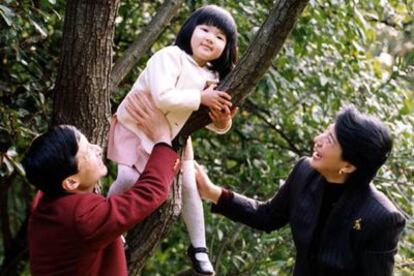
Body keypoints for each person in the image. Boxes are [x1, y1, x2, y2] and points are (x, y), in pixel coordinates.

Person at [194, 106, 406, 275]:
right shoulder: (305, 172)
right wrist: (211, 192)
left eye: (329, 140)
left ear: (348, 166)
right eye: (325, 132)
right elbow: (266, 216)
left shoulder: (382, 218)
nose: (317, 140)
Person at [107, 5, 238, 275]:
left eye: (220, 36)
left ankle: (199, 248)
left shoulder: (212, 77)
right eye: (204, 29)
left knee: (190, 184)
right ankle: (111, 228)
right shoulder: (170, 56)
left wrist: (222, 121)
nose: (210, 38)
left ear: (226, 48)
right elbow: (163, 97)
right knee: (129, 179)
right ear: (190, 30)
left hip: (172, 136)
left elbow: (206, 119)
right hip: (139, 125)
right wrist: (201, 98)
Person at [22, 93, 179, 276]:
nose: (97, 148)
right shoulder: (82, 218)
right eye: (87, 151)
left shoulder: (50, 190)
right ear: (71, 182)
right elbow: (149, 193)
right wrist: (162, 138)